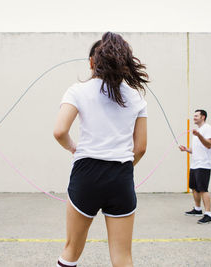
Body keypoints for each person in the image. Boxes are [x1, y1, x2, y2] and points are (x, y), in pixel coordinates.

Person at [53, 32, 148, 267]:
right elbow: (141, 148)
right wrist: (120, 166)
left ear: (92, 62)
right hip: (121, 176)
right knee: (122, 256)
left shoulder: (78, 90)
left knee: (71, 250)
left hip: (86, 173)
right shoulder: (136, 97)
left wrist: (74, 149)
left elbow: (59, 131)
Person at [179, 109, 211, 224]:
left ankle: (208, 214)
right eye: (194, 116)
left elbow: (208, 144)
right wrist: (186, 149)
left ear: (203, 117)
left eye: (196, 116)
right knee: (194, 188)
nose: (194, 117)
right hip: (195, 164)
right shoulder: (197, 131)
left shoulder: (207, 128)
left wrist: (199, 135)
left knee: (203, 189)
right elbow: (196, 150)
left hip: (203, 164)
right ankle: (197, 209)